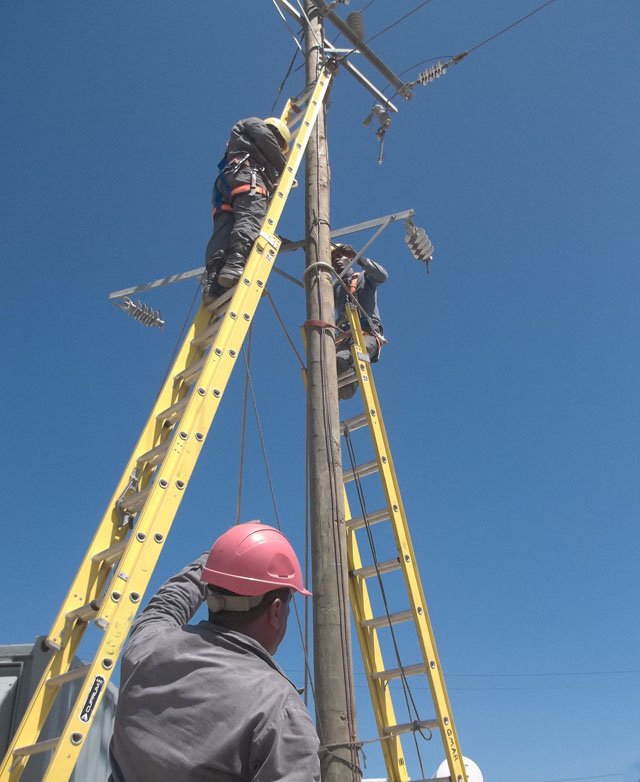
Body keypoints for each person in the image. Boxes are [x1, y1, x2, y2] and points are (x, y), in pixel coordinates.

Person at [109, 521, 320, 782]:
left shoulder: (147, 647)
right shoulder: (279, 710)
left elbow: (167, 602)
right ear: (276, 610)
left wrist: (223, 557)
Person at [202, 117, 291, 303]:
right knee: (250, 216)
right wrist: (285, 167)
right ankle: (236, 264)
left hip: (227, 184)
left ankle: (213, 283)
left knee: (223, 232)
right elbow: (264, 137)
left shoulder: (241, 144)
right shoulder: (254, 124)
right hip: (247, 177)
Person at [331, 243, 388, 399]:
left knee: (358, 353)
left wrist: (359, 257)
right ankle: (339, 390)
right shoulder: (333, 288)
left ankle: (352, 384)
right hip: (345, 337)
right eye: (333, 259)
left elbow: (382, 276)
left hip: (367, 334)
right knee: (334, 362)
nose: (336, 261)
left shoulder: (364, 277)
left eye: (340, 256)